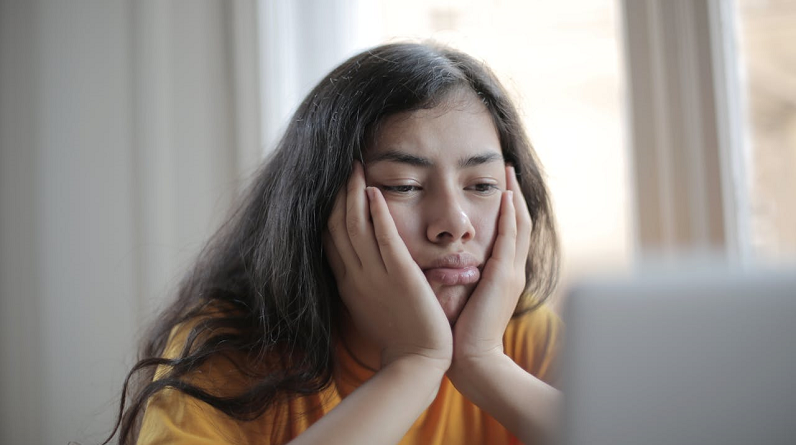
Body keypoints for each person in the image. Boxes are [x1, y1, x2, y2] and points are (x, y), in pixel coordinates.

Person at [105, 41, 562, 445]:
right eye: (403, 185)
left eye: (481, 185)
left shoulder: (520, 336)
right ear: (321, 207)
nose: (455, 224)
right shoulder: (230, 351)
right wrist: (414, 364)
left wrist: (485, 362)